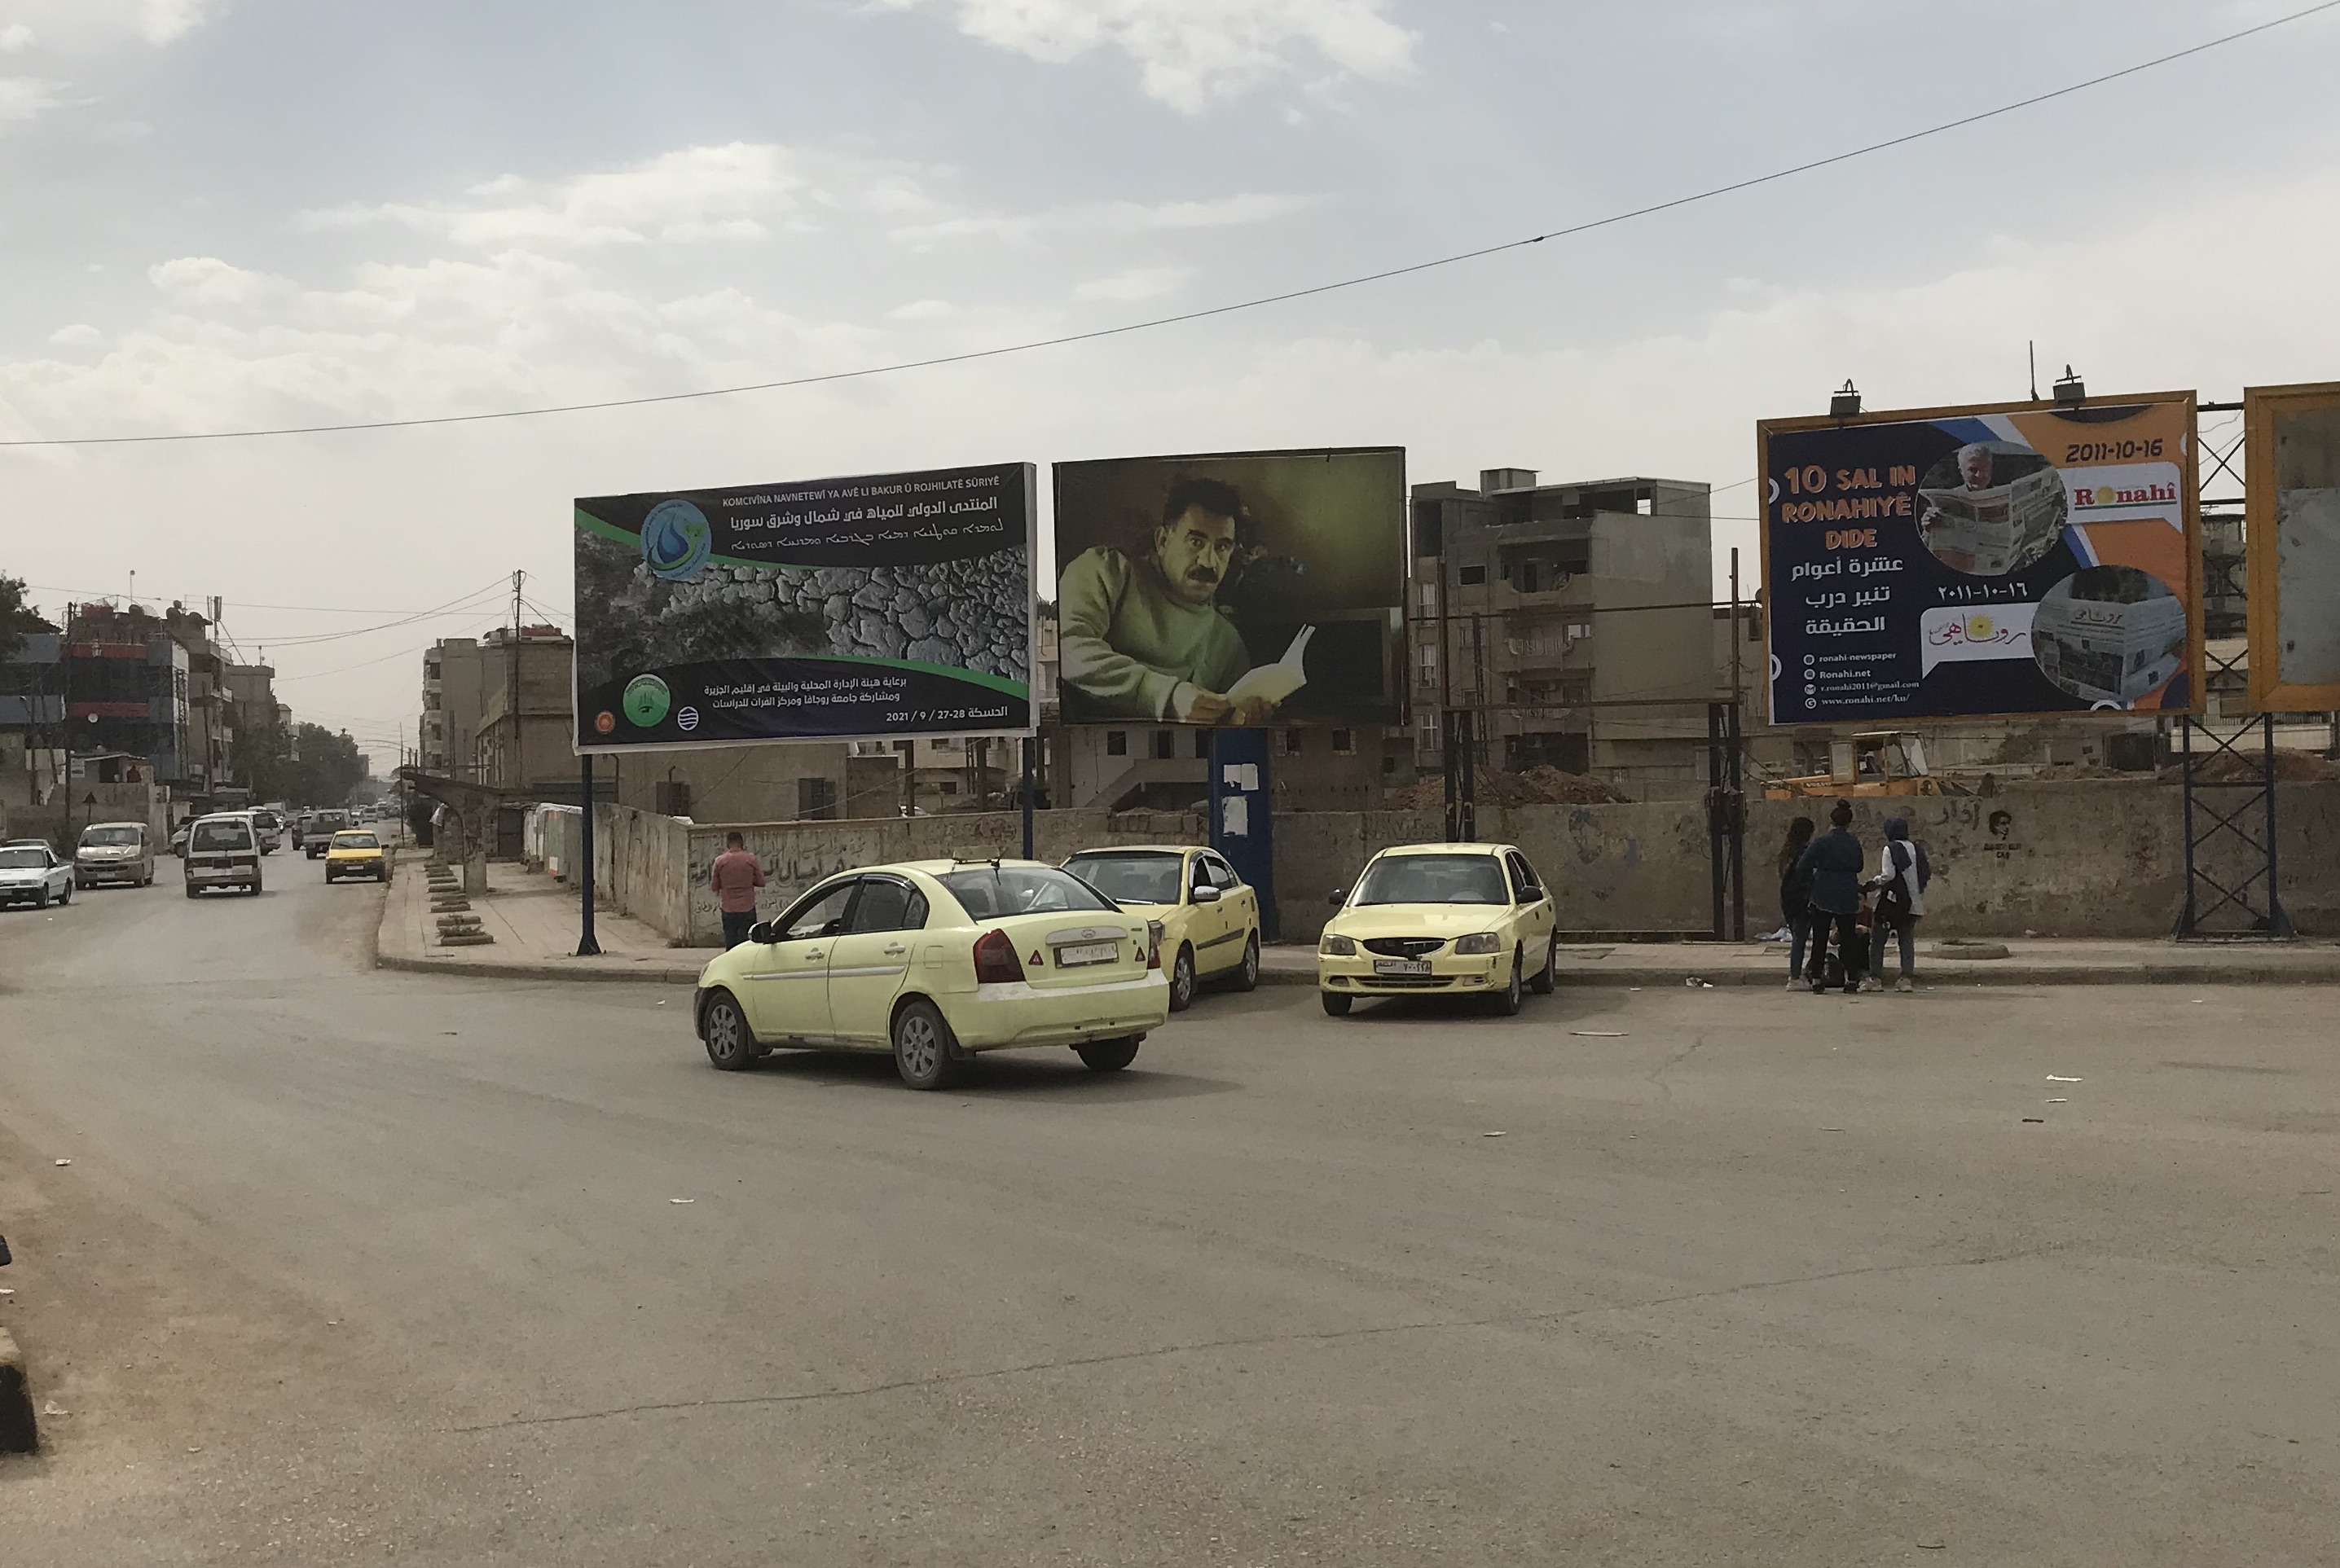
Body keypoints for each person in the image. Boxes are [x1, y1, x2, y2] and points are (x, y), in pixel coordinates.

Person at [1058, 477, 1278, 726]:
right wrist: (1164, 696)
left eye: (1222, 547)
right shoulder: (1106, 571)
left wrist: (1242, 720)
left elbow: (1232, 727)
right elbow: (1067, 648)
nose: (1208, 561)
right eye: (1196, 542)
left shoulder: (1227, 643)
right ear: (1162, 540)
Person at [1794, 800, 1867, 995]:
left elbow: (1803, 866)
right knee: (1849, 938)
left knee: (1820, 938)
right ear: (1848, 823)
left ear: (1831, 821)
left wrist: (1810, 884)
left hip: (1823, 893)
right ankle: (1852, 980)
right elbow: (1860, 866)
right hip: (1847, 893)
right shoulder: (1853, 843)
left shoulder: (1821, 842)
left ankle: (1817, 979)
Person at [1863, 817, 1930, 992]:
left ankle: (1875, 978)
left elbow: (1888, 875)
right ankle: (1906, 978)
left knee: (1878, 940)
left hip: (1891, 903)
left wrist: (1875, 882)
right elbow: (1925, 874)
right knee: (1906, 941)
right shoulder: (1917, 849)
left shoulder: (1890, 848)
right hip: (1913, 903)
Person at [1777, 815, 1816, 990]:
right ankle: (1794, 976)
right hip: (1802, 899)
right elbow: (1807, 876)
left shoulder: (1786, 851)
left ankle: (1796, 973)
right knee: (1800, 938)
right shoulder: (1804, 852)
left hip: (1787, 898)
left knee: (1797, 936)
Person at [709, 832, 765, 949]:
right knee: (748, 944)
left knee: (731, 941)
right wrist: (748, 881)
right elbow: (761, 882)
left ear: (727, 844)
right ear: (742, 843)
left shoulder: (720, 861)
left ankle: (732, 964)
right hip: (747, 908)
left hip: (728, 908)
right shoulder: (751, 859)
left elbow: (714, 886)